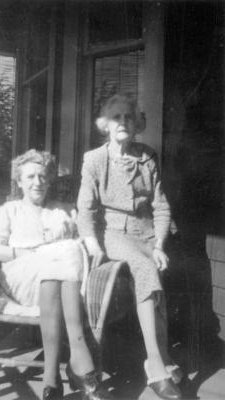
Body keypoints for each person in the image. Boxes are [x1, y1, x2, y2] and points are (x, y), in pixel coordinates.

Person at [0, 149, 112, 400]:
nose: (37, 182)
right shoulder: (9, 211)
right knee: (64, 250)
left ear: (49, 180)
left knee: (65, 254)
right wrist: (28, 254)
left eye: (42, 176)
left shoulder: (63, 210)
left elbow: (83, 242)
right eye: (30, 177)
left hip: (62, 287)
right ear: (19, 181)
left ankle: (51, 379)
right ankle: (80, 357)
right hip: (21, 283)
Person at [77, 94, 182, 400]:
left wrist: (160, 243)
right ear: (105, 126)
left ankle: (162, 355)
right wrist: (93, 243)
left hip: (147, 232)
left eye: (128, 117)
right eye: (116, 118)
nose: (122, 122)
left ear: (136, 124)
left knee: (158, 287)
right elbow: (86, 210)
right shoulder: (94, 159)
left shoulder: (148, 156)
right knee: (146, 268)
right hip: (115, 234)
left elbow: (161, 207)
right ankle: (156, 367)